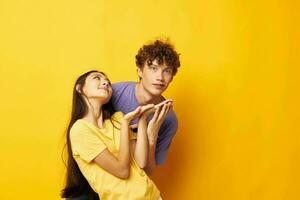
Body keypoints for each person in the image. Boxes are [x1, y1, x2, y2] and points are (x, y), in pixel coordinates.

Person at [61, 70, 171, 199]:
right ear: (80, 89)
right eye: (97, 78)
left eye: (107, 81)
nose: (105, 82)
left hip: (152, 195)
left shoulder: (118, 119)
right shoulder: (80, 130)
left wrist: (142, 120)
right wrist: (125, 124)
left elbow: (140, 162)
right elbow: (122, 171)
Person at [111, 39, 181, 175]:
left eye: (166, 71)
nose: (160, 77)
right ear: (140, 71)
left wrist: (152, 138)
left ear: (171, 77)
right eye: (153, 68)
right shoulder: (113, 93)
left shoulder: (169, 120)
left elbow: (149, 172)